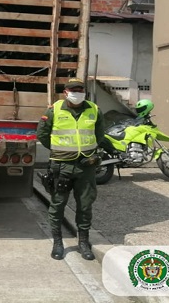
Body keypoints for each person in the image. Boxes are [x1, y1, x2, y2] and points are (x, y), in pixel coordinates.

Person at [36, 77, 105, 261]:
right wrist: (58, 150)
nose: (77, 93)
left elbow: (100, 134)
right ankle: (58, 243)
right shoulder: (54, 110)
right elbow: (42, 134)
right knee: (57, 205)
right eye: (73, 90)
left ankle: (83, 243)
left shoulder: (94, 110)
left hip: (86, 166)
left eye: (80, 90)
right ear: (65, 92)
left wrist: (90, 152)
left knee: (85, 205)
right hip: (62, 166)